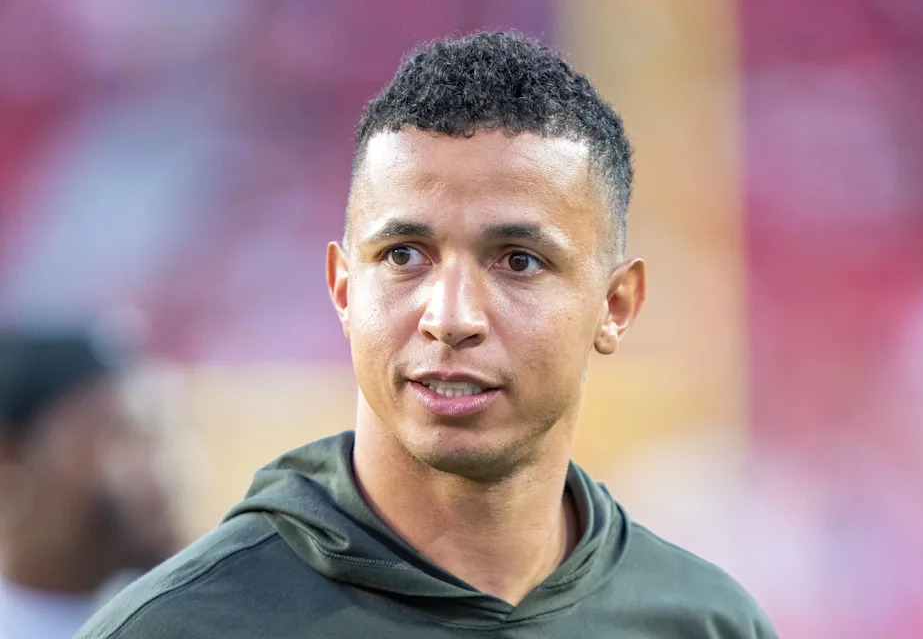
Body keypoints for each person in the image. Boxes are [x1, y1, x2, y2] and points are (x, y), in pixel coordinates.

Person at [77, 32, 779, 638]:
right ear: (344, 289)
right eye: (404, 255)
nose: (451, 317)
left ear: (615, 306)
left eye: (519, 262)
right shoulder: (176, 627)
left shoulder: (707, 622)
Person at [0, 329, 179, 639]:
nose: (153, 474)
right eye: (115, 436)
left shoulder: (186, 619)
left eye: (152, 439)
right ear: (11, 456)